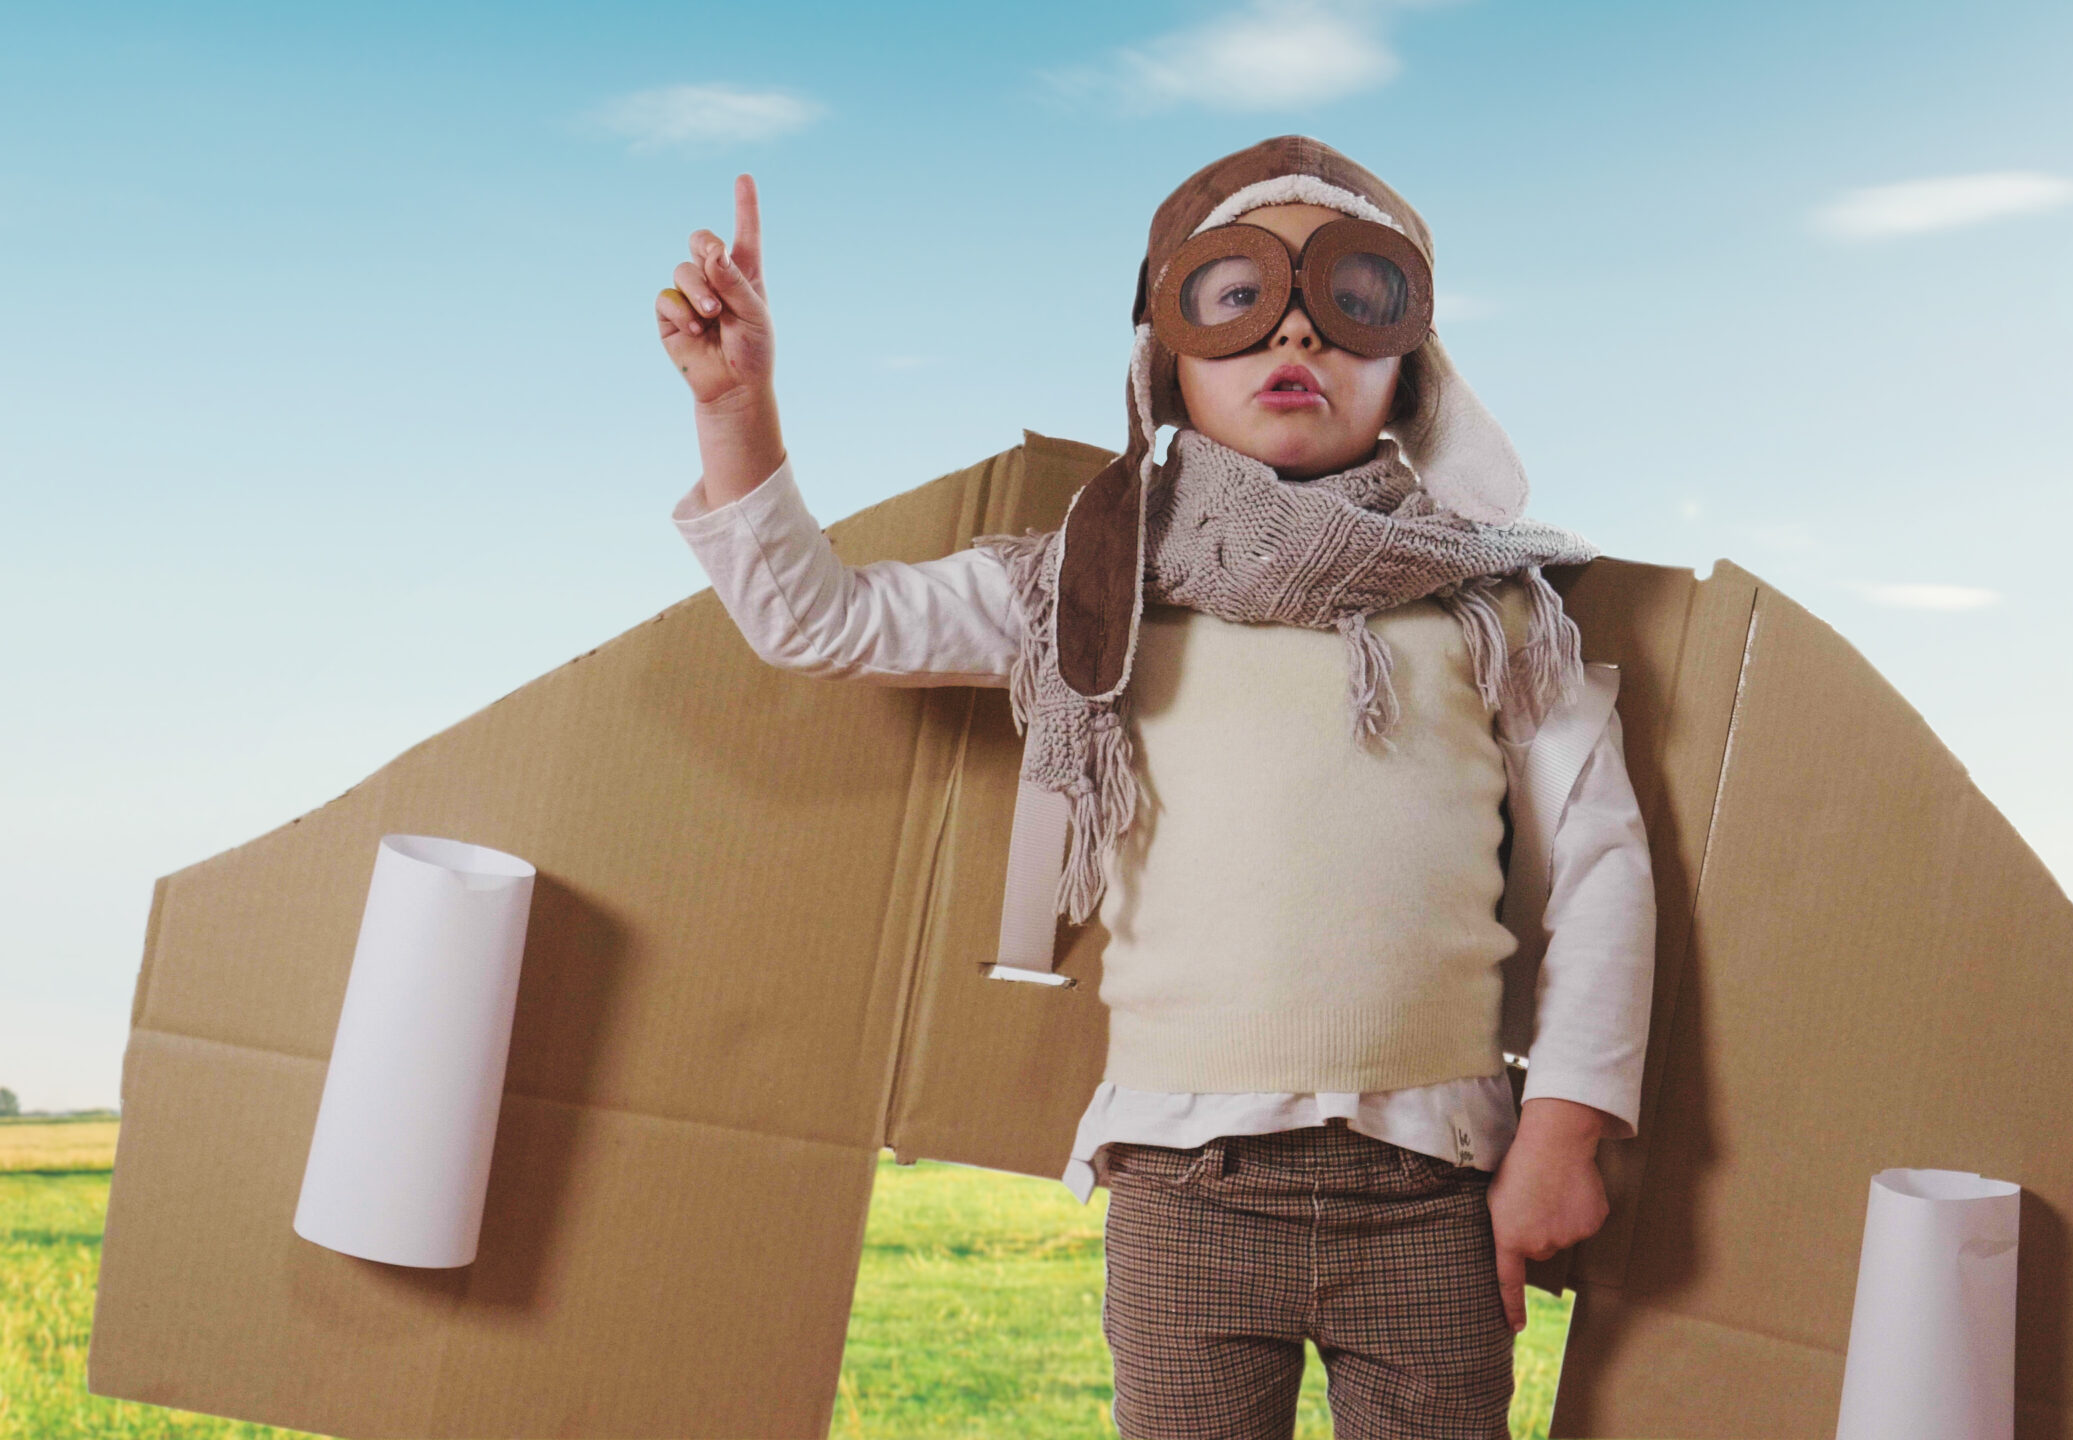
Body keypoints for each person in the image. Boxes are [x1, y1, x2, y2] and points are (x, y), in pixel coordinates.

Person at [656, 136, 1655, 1440]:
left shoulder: (1498, 607)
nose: (1295, 326)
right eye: (1237, 297)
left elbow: (1601, 860)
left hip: (1435, 1181)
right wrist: (739, 414)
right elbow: (824, 626)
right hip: (1188, 1184)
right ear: (1164, 355)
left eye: (1354, 296)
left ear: (1414, 362)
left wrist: (1563, 1136)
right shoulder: (1090, 587)